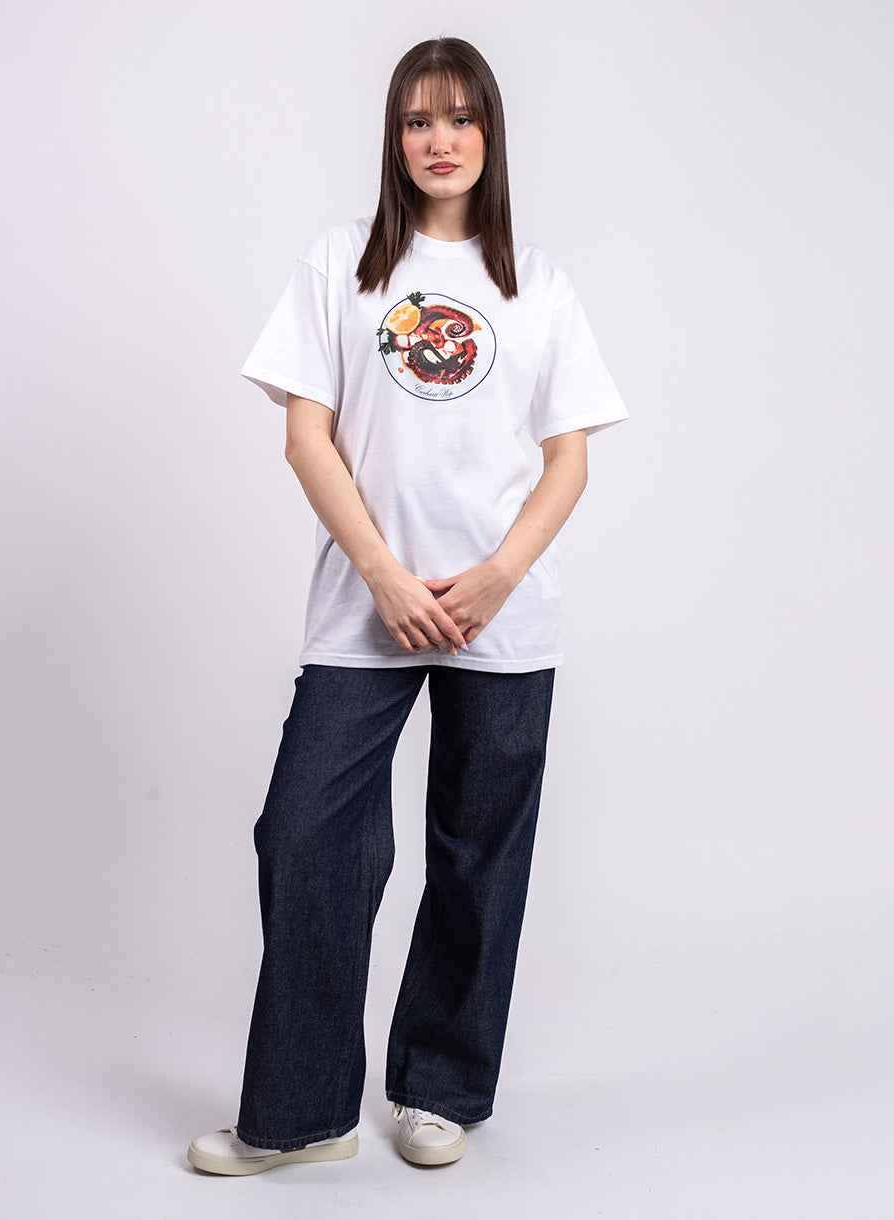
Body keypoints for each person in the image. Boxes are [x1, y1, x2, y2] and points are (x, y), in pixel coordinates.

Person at [187, 35, 629, 1176]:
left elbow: (570, 459)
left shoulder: (537, 282)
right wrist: (385, 574)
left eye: (461, 118)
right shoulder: (343, 263)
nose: (441, 140)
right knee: (305, 834)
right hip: (364, 607)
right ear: (394, 137)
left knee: (479, 856)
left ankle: (441, 1088)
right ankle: (300, 1112)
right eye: (419, 119)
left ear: (491, 134)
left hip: (502, 617)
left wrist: (495, 578)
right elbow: (307, 436)